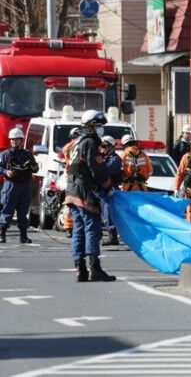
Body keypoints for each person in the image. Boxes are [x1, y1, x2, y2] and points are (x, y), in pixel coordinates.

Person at [64, 110, 115, 282]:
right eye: (98, 126)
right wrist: (108, 186)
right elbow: (98, 169)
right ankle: (95, 268)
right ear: (90, 127)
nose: (101, 129)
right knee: (91, 228)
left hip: (72, 190)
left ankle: (80, 269)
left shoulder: (77, 142)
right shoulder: (89, 143)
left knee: (78, 230)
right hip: (84, 190)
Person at [0, 127, 39, 244]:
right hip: (11, 185)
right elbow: (0, 167)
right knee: (7, 209)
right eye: (12, 140)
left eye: (16, 140)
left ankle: (23, 236)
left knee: (23, 211)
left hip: (25, 186)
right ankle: (2, 234)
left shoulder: (28, 154)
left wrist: (34, 168)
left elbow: (35, 168)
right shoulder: (5, 154)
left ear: (21, 140)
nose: (13, 142)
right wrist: (6, 172)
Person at [100, 135, 123, 246]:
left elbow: (107, 171)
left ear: (111, 147)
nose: (102, 149)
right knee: (103, 212)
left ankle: (113, 237)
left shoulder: (115, 159)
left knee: (108, 211)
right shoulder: (104, 157)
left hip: (111, 188)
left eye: (105, 147)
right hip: (102, 189)